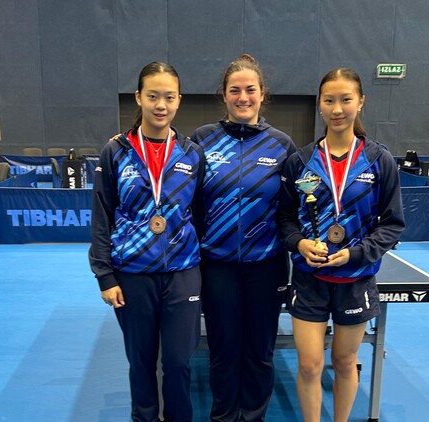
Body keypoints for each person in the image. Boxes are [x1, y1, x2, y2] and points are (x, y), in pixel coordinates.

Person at [278, 68, 405, 422]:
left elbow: (392, 224)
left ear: (360, 102)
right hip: (310, 280)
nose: (337, 109)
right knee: (309, 365)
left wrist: (356, 253)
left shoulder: (379, 160)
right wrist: (300, 243)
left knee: (345, 361)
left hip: (356, 280)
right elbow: (284, 220)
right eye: (329, 100)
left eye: (346, 100)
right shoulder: (300, 161)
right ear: (320, 105)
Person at [89, 62, 205, 422]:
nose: (161, 105)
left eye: (169, 97)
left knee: (179, 362)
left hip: (182, 273)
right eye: (153, 96)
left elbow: (200, 214)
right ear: (138, 97)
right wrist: (105, 276)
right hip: (132, 275)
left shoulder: (191, 153)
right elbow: (102, 215)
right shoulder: (116, 151)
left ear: (179, 100)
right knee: (140, 363)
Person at [190, 54, 297, 422]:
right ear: (224, 95)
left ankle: (253, 417)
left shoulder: (281, 144)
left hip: (266, 266)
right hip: (216, 265)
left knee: (259, 352)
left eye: (250, 89)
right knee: (222, 351)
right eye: (235, 90)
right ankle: (223, 416)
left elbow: (292, 208)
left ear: (262, 94)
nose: (243, 97)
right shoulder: (202, 140)